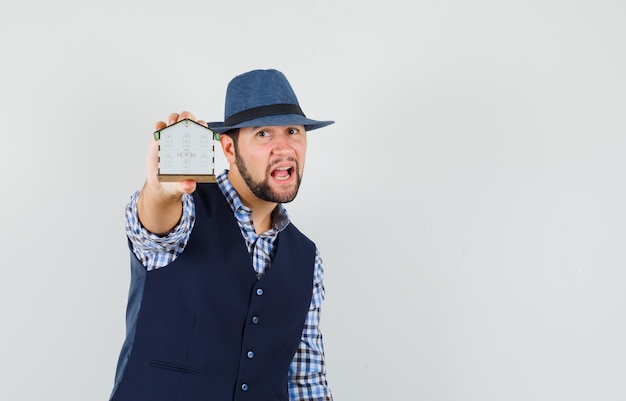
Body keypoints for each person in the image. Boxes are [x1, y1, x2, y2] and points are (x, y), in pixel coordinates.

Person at [109, 69, 335, 401]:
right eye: (263, 134)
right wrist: (159, 192)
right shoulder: (185, 205)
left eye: (292, 131)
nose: (284, 147)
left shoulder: (306, 257)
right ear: (228, 148)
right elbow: (155, 233)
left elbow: (306, 379)